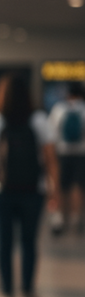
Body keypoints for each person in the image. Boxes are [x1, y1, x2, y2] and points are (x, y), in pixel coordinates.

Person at [0, 73, 59, 297]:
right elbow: (50, 160)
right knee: (29, 242)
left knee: (3, 243)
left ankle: (6, 294)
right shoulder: (39, 120)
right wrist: (55, 191)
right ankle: (27, 292)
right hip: (34, 190)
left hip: (0, 190)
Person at [47, 81, 85, 234]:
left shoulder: (59, 109)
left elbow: (51, 132)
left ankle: (61, 218)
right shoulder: (83, 108)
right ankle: (76, 218)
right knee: (78, 186)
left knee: (62, 186)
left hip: (62, 153)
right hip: (81, 153)